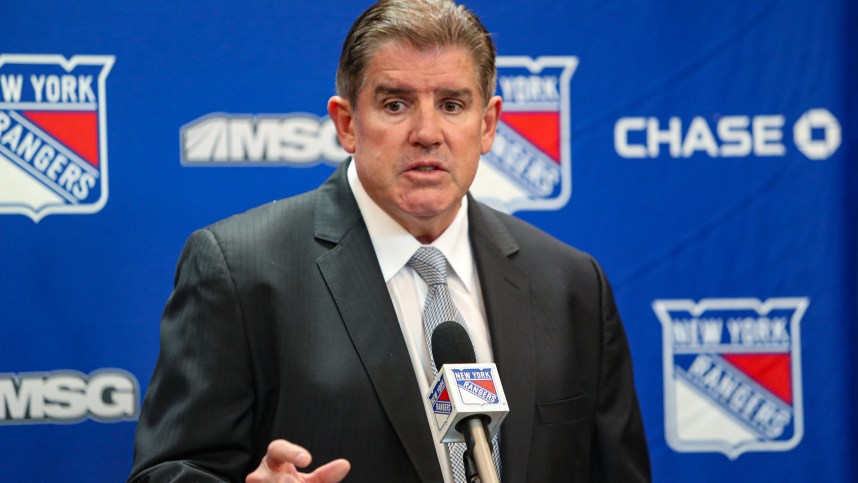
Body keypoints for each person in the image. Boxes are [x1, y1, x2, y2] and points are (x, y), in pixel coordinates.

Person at [128, 0, 651, 481]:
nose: (427, 132)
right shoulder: (241, 269)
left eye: (451, 104)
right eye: (396, 104)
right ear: (347, 123)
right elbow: (168, 471)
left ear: (488, 125)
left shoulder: (570, 284)